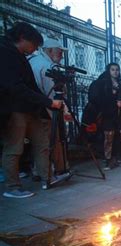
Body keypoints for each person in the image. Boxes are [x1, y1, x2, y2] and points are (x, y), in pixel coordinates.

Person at [0, 22, 63, 198]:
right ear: (22, 38)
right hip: (13, 108)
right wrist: (47, 102)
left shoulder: (21, 56)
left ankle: (47, 177)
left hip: (30, 108)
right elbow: (15, 86)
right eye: (34, 44)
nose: (35, 49)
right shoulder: (5, 52)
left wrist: (45, 103)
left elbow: (31, 85)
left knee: (43, 143)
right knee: (14, 147)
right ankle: (12, 187)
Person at [29, 38, 72, 181]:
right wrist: (65, 110)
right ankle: (52, 172)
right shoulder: (46, 66)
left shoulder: (33, 61)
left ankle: (39, 170)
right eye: (59, 52)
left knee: (40, 141)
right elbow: (53, 94)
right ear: (49, 51)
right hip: (46, 108)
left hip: (34, 107)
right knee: (51, 140)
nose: (61, 55)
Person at [88, 63, 121, 170]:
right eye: (113, 69)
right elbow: (98, 99)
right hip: (109, 114)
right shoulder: (103, 84)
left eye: (117, 70)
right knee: (108, 138)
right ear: (109, 71)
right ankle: (108, 160)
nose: (115, 72)